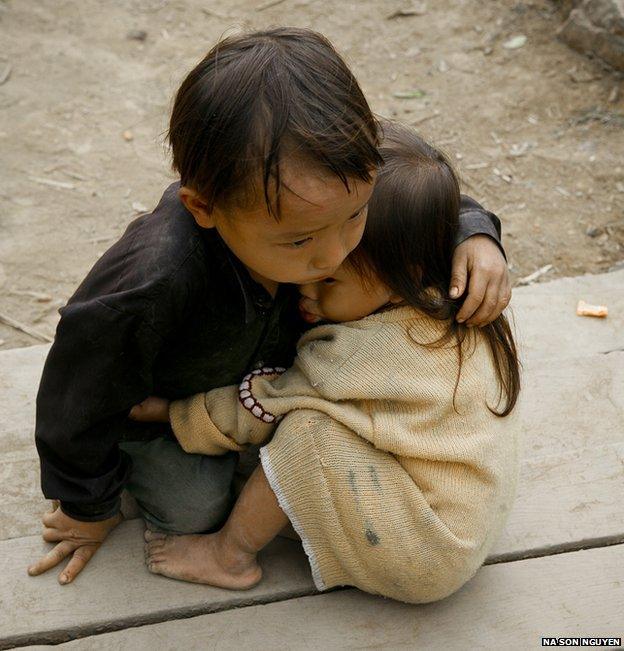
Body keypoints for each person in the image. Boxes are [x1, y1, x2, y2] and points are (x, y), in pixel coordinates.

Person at [28, 28, 511, 587]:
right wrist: (87, 508)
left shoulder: (325, 190)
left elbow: (417, 187)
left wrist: (472, 231)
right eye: (301, 243)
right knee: (193, 510)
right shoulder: (152, 284)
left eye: (357, 217)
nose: (338, 254)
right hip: (164, 409)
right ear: (204, 208)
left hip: (262, 394)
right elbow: (76, 395)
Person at [132, 122, 521, 604]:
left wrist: (168, 413)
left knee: (308, 436)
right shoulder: (445, 295)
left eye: (330, 281)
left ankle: (228, 555)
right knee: (318, 430)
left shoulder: (358, 353)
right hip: (465, 515)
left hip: (427, 550)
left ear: (402, 275)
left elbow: (262, 406)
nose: (305, 287)